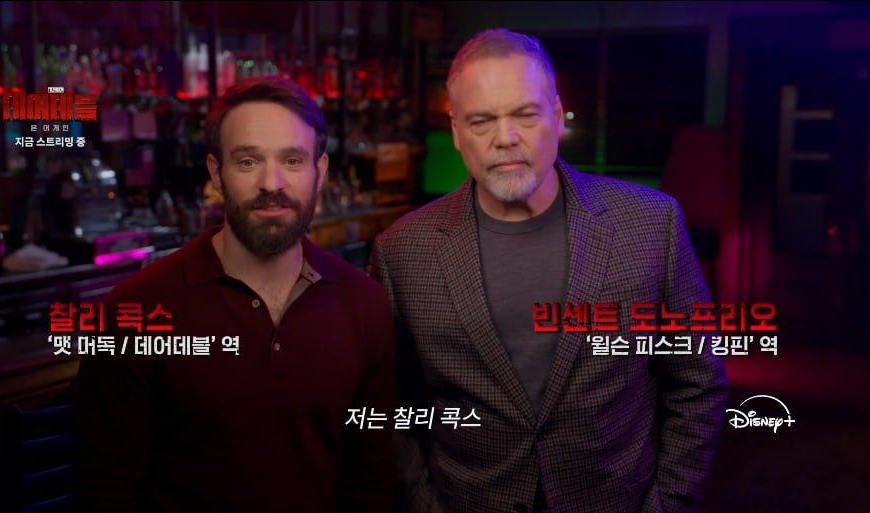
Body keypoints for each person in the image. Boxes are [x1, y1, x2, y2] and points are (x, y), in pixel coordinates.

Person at [369, 29, 728, 513]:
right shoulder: (402, 251)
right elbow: (388, 404)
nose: (505, 138)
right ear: (456, 131)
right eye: (481, 121)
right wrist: (421, 502)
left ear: (557, 117)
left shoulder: (651, 225)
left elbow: (698, 382)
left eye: (525, 114)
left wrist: (668, 503)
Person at [73, 76, 395, 513]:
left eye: (292, 160)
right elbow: (106, 491)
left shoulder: (364, 304)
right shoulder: (136, 311)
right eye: (247, 161)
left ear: (319, 172)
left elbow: (371, 477)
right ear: (216, 174)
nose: (271, 183)